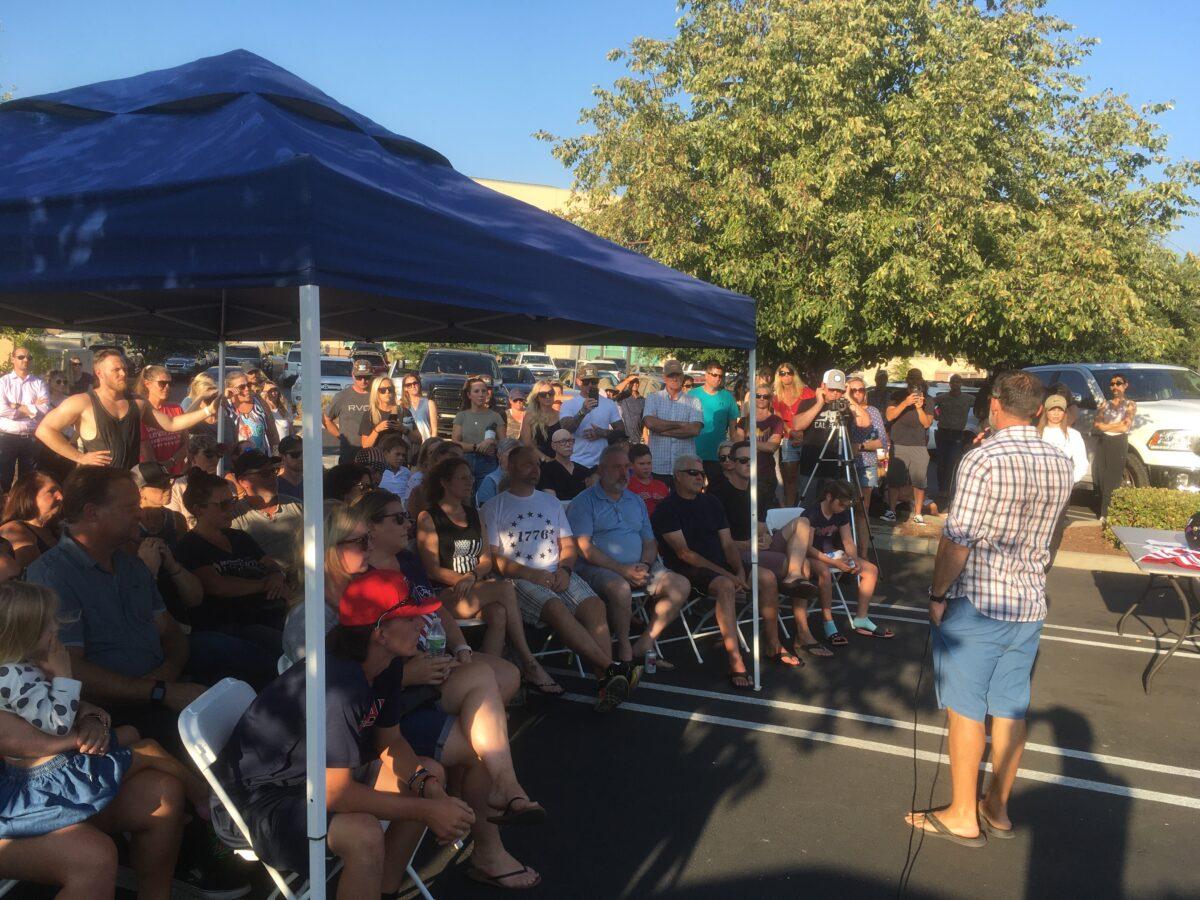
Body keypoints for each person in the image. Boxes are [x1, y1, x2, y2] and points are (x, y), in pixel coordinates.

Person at [218, 569, 480, 897]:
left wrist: (432, 793)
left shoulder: (387, 664)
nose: (422, 626)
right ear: (380, 633)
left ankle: (382, 888)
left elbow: (390, 742)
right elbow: (336, 794)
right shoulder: (340, 686)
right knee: (363, 833)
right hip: (259, 801)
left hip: (309, 780)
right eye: (412, 620)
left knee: (432, 774)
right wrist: (429, 811)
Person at [905, 371, 1072, 846]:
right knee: (1011, 707)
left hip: (980, 600)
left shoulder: (984, 458)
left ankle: (963, 812)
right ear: (1038, 409)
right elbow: (1052, 531)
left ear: (995, 404)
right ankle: (996, 806)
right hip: (1028, 599)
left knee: (965, 708)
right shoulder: (1060, 459)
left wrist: (937, 595)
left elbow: (957, 539)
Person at [0, 581, 212, 836]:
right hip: (45, 776)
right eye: (48, 625)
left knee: (133, 733)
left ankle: (186, 812)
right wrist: (63, 673)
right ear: (25, 634)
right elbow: (58, 723)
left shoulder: (20, 667)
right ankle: (205, 800)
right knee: (150, 749)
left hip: (51, 761)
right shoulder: (16, 677)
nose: (57, 628)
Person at [481, 445, 627, 711]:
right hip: (520, 579)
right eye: (528, 465)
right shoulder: (493, 507)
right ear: (511, 467)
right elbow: (495, 560)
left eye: (537, 464)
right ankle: (611, 670)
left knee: (595, 606)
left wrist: (565, 569)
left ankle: (606, 685)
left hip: (557, 571)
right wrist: (530, 573)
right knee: (556, 608)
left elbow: (568, 545)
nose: (536, 469)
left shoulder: (550, 502)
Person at [0, 703, 189, 898]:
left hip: (41, 776)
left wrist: (86, 715)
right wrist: (82, 737)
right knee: (92, 857)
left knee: (161, 792)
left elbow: (50, 692)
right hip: (15, 799)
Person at [405, 466, 561, 696]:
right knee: (506, 589)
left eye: (470, 476)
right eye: (462, 477)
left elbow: (486, 560)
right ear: (444, 483)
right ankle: (529, 662)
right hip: (445, 593)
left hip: (475, 586)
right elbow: (432, 569)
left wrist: (472, 577)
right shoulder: (429, 517)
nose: (470, 482)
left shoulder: (474, 514)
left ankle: (489, 684)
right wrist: (462, 580)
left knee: (498, 613)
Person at [652, 455, 790, 688]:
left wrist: (738, 569)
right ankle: (735, 659)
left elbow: (727, 543)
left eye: (702, 474)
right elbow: (686, 555)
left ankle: (773, 642)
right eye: (692, 473)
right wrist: (730, 576)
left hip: (721, 565)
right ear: (677, 476)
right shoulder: (667, 508)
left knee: (765, 577)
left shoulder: (712, 503)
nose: (699, 477)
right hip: (688, 570)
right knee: (725, 586)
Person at [568, 445, 691, 676]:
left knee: (680, 585)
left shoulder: (635, 501)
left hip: (639, 566)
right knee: (621, 588)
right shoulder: (583, 502)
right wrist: (622, 570)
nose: (625, 473)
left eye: (627, 467)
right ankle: (624, 646)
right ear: (602, 470)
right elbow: (584, 548)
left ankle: (643, 644)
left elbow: (649, 542)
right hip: (599, 568)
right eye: (617, 468)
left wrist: (643, 565)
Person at [705, 443, 828, 658]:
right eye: (743, 461)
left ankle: (794, 578)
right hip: (736, 551)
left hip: (758, 547)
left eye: (752, 460)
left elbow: (761, 525)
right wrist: (748, 544)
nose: (748, 465)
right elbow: (717, 539)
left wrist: (765, 535)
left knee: (802, 522)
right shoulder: (718, 491)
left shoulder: (758, 488)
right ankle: (778, 640)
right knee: (796, 568)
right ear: (732, 464)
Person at [37, 350, 218, 472]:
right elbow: (44, 430)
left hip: (126, 483)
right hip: (96, 484)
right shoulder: (82, 402)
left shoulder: (138, 402)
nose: (123, 374)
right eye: (116, 370)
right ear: (99, 373)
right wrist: (79, 457)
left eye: (124, 369)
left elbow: (171, 424)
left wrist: (208, 411)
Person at [176, 470, 289, 635]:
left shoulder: (240, 537)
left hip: (271, 615)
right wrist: (266, 585)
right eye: (223, 505)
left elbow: (270, 564)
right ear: (199, 510)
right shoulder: (190, 546)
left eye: (233, 501)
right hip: (230, 627)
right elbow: (218, 586)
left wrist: (277, 576)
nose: (231, 509)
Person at [801, 479, 889, 646]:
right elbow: (807, 548)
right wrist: (835, 563)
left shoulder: (841, 513)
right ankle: (828, 622)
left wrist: (853, 559)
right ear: (829, 497)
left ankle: (861, 618)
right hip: (811, 556)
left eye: (846, 506)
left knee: (871, 570)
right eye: (841, 504)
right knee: (825, 573)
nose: (843, 508)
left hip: (832, 554)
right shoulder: (811, 513)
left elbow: (848, 540)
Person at [791, 369, 871, 509]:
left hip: (836, 467)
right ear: (823, 386)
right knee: (806, 506)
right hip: (811, 464)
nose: (835, 393)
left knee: (834, 508)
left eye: (839, 390)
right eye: (832, 389)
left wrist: (849, 397)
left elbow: (865, 423)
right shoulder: (809, 403)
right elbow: (797, 425)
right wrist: (819, 403)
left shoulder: (846, 406)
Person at [230, 450, 304, 567]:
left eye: (273, 471)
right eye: (264, 473)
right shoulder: (234, 516)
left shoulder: (298, 507)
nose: (273, 477)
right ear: (243, 481)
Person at [1039, 393, 1088, 566]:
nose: (1056, 413)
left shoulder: (1073, 435)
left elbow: (1081, 463)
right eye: (1052, 409)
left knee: (1055, 528)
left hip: (1061, 490)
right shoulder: (1036, 433)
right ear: (1046, 411)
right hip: (1038, 488)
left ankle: (1046, 564)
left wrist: (1069, 482)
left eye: (1060, 409)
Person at [883, 368, 935, 525]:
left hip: (918, 444)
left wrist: (919, 407)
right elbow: (889, 415)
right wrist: (906, 403)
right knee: (894, 480)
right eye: (911, 378)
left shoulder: (929, 400)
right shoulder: (897, 396)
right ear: (907, 379)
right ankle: (891, 511)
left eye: (917, 378)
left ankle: (918, 513)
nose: (914, 381)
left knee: (919, 481)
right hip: (898, 443)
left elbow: (927, 424)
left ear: (921, 380)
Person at [642, 360, 703, 489]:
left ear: (682, 376)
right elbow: (650, 423)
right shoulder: (653, 398)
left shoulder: (694, 401)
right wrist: (681, 424)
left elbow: (694, 430)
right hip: (659, 466)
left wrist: (661, 430)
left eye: (678, 375)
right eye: (671, 375)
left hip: (685, 467)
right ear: (664, 377)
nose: (674, 378)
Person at [846, 375, 888, 555]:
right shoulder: (843, 410)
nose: (856, 393)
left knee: (862, 510)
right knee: (844, 508)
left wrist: (861, 446)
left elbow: (882, 441)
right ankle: (847, 551)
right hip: (844, 463)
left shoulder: (873, 411)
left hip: (866, 463)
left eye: (860, 390)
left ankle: (863, 553)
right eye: (852, 390)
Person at [0, 345, 50, 492]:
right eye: (21, 357)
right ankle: (4, 511)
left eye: (29, 357)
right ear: (13, 360)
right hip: (6, 437)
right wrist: (32, 407)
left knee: (28, 481)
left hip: (31, 438)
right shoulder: (3, 382)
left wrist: (15, 406)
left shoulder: (39, 382)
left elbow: (45, 409)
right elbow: (1, 409)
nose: (25, 360)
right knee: (3, 478)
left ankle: (24, 511)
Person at [687, 361, 741, 483]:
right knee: (694, 489)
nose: (717, 378)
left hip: (718, 455)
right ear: (706, 375)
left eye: (720, 376)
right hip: (694, 453)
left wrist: (735, 455)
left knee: (716, 490)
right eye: (714, 375)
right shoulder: (692, 395)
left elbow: (733, 430)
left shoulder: (728, 397)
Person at [558, 370, 624, 469]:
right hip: (575, 461)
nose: (590, 385)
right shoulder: (569, 404)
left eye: (593, 382)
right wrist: (583, 411)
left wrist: (602, 433)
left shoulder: (609, 404)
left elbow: (621, 432)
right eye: (586, 382)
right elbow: (565, 428)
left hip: (601, 464)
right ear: (579, 382)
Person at [1092, 373, 1136, 524]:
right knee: (1100, 476)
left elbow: (1125, 426)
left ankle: (1107, 513)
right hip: (1104, 441)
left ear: (1125, 385)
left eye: (1118, 383)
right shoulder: (1105, 404)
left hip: (1119, 442)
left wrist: (1107, 426)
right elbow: (1097, 424)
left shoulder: (1130, 404)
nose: (1115, 386)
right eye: (1112, 384)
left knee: (1113, 477)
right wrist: (1111, 426)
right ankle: (1103, 510)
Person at [452, 375, 504, 499]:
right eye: (476, 391)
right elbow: (455, 443)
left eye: (484, 391)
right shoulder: (461, 416)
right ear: (469, 395)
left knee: (485, 498)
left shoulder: (496, 416)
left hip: (488, 461)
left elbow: (503, 443)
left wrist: (492, 442)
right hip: (466, 461)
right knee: (465, 498)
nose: (481, 394)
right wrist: (476, 446)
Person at [0, 472, 62, 570]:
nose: (60, 496)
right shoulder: (15, 529)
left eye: (60, 491)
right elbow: (32, 578)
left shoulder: (56, 530)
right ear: (29, 497)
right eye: (52, 491)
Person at [739, 383, 785, 515]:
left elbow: (772, 447)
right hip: (745, 473)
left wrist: (748, 443)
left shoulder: (776, 421)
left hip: (765, 473)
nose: (762, 398)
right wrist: (760, 446)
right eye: (758, 395)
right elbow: (737, 444)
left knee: (762, 515)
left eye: (766, 396)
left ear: (770, 398)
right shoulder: (744, 421)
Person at [773, 364, 813, 508]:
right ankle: (790, 509)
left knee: (807, 476)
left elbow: (813, 413)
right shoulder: (776, 396)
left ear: (794, 374)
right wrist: (791, 432)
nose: (785, 376)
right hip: (788, 438)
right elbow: (778, 418)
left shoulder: (806, 392)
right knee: (790, 477)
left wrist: (802, 434)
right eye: (782, 373)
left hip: (806, 437)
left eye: (788, 372)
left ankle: (805, 508)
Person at [136, 365, 187, 475]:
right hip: (150, 475)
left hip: (176, 474)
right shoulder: (140, 411)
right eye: (162, 383)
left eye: (170, 383)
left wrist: (171, 462)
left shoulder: (176, 409)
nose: (167, 387)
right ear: (147, 384)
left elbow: (186, 443)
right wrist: (158, 468)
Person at [325, 359, 376, 465]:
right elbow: (327, 419)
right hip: (349, 454)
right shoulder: (342, 396)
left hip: (373, 453)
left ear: (372, 376)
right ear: (353, 375)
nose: (363, 381)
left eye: (366, 377)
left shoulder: (377, 395)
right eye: (359, 377)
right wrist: (341, 437)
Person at [934, 375, 975, 503]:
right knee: (941, 462)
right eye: (953, 382)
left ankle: (948, 490)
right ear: (950, 384)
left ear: (961, 383)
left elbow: (981, 408)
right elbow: (931, 406)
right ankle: (941, 489)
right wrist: (936, 415)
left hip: (957, 434)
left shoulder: (969, 399)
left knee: (952, 462)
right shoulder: (941, 398)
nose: (955, 384)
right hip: (943, 432)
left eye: (958, 382)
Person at [220, 370, 278, 459]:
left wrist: (277, 457)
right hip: (234, 464)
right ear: (230, 389)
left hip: (260, 461)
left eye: (248, 385)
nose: (247, 389)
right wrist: (225, 397)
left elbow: (273, 433)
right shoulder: (225, 406)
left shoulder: (259, 403)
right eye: (242, 387)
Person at [405, 441, 463, 520]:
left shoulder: (462, 492)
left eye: (460, 458)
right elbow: (412, 524)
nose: (457, 461)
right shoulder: (419, 492)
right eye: (453, 456)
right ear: (438, 457)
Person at [537, 429, 593, 500]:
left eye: (571, 441)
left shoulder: (583, 470)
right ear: (553, 446)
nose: (568, 444)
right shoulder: (545, 470)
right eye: (563, 442)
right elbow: (551, 500)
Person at [360, 375, 406, 449]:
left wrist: (404, 429)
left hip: (399, 458)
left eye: (390, 389)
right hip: (377, 458)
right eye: (383, 390)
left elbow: (417, 439)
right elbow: (365, 445)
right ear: (376, 393)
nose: (387, 392)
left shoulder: (402, 411)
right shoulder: (369, 414)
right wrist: (377, 430)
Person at [519, 380, 560, 462]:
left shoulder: (561, 415)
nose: (548, 397)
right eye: (543, 394)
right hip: (537, 462)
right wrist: (544, 458)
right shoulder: (529, 417)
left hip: (559, 461)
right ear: (537, 397)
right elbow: (527, 443)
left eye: (550, 393)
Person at [627, 443, 670, 515]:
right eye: (641, 464)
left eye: (649, 463)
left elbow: (670, 509)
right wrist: (636, 500)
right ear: (631, 465)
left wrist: (663, 502)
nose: (646, 467)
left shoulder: (661, 486)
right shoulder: (627, 486)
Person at [476, 436, 519, 507]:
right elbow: (485, 512)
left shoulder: (524, 479)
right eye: (510, 455)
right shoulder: (491, 481)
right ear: (499, 455)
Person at [398, 372, 437, 444]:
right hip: (405, 445)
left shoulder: (429, 403)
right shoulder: (400, 404)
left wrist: (431, 446)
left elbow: (434, 430)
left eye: (415, 383)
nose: (413, 386)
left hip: (425, 444)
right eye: (409, 385)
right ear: (405, 388)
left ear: (419, 384)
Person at [377, 432, 413, 500]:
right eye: (397, 454)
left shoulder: (406, 472)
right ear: (386, 454)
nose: (401, 458)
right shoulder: (378, 472)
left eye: (403, 455)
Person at [614, 374, 645, 442]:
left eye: (636, 382)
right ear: (628, 384)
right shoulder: (623, 396)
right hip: (624, 438)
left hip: (637, 438)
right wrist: (628, 380)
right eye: (632, 382)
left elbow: (644, 421)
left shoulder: (643, 400)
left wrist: (646, 439)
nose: (635, 384)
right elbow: (615, 392)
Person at [276, 433, 305, 502]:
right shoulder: (275, 486)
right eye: (295, 454)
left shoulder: (314, 483)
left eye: (305, 453)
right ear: (282, 457)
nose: (301, 458)